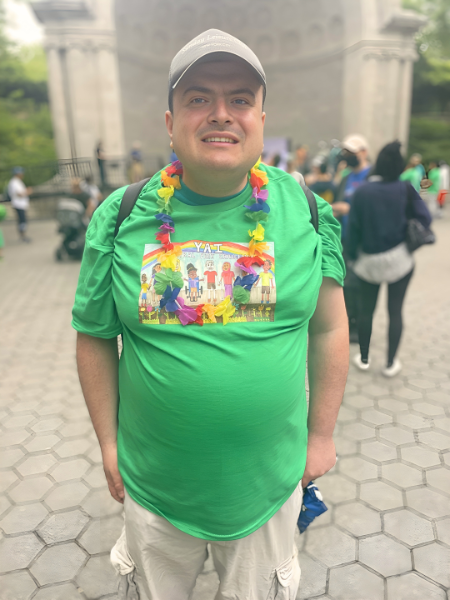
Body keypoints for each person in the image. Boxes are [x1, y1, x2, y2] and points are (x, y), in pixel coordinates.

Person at [72, 28, 348, 600]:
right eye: (198, 98)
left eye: (240, 100)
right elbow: (94, 336)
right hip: (153, 488)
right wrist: (106, 443)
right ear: (170, 121)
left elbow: (330, 327)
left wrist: (321, 434)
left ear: (261, 118)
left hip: (267, 489)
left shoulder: (308, 211)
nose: (221, 114)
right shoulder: (120, 216)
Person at [347, 141, 431, 377]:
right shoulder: (406, 189)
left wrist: (352, 256)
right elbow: (425, 218)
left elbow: (352, 230)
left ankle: (364, 358)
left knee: (366, 312)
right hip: (400, 260)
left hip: (368, 262)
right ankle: (390, 363)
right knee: (396, 312)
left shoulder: (363, 191)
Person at [332, 134, 371, 343]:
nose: (348, 156)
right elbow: (338, 202)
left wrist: (350, 209)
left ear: (364, 152)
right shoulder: (346, 177)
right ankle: (347, 322)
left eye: (352, 152)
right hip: (344, 239)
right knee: (345, 283)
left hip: (364, 242)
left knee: (360, 285)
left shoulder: (372, 176)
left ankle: (359, 325)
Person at [8, 167, 33, 242]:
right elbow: (19, 194)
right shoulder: (14, 182)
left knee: (22, 221)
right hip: (19, 204)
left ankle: (23, 235)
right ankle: (23, 236)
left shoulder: (17, 181)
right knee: (22, 221)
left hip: (21, 204)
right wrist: (28, 191)